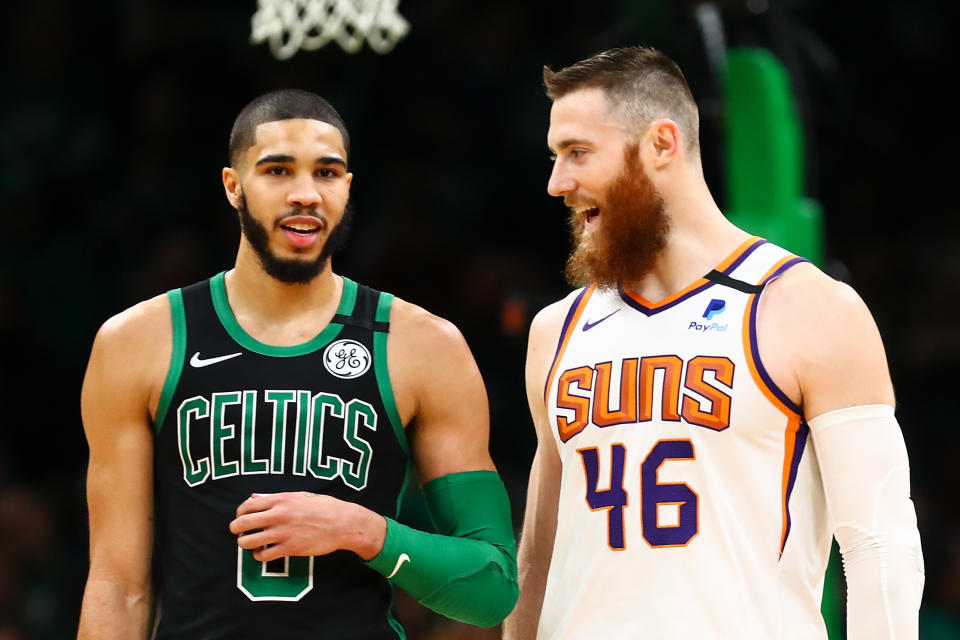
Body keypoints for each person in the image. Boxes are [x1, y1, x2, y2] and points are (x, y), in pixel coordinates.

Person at [503, 47, 924, 639]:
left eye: (577, 154)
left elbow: (880, 545)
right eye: (555, 157)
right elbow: (538, 560)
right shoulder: (555, 331)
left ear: (662, 144)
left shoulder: (807, 307)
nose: (557, 183)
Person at [77, 89, 518, 639]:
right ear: (233, 187)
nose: (305, 193)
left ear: (347, 187)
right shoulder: (139, 342)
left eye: (327, 173)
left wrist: (363, 530)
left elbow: (494, 588)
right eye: (278, 171)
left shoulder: (424, 345)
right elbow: (118, 586)